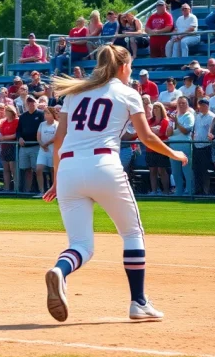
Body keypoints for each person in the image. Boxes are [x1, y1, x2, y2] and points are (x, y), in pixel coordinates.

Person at [43, 44, 188, 322]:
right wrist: (174, 152)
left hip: (69, 170)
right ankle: (139, 302)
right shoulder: (128, 93)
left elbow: (59, 141)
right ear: (123, 67)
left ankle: (60, 270)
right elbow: (146, 138)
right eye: (130, 65)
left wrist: (56, 178)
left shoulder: (75, 93)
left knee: (81, 245)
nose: (130, 70)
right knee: (132, 234)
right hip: (104, 165)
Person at [16, 95, 44, 193]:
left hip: (36, 146)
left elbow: (43, 129)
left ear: (36, 103)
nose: (31, 104)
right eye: (29, 102)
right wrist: (19, 138)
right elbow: (18, 130)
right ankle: (27, 190)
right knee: (26, 169)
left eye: (32, 102)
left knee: (37, 169)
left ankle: (38, 189)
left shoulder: (41, 114)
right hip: (24, 147)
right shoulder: (23, 116)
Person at [167, 97, 195, 196]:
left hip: (184, 145)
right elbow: (168, 133)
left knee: (187, 170)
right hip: (173, 145)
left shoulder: (189, 116)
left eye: (183, 103)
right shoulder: (174, 116)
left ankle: (189, 191)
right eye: (179, 103)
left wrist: (177, 122)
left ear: (187, 104)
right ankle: (179, 191)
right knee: (175, 171)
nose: (181, 105)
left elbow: (186, 131)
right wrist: (171, 123)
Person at [146, 102, 171, 195]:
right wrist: (154, 130)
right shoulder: (150, 121)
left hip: (161, 148)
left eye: (157, 108)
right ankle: (154, 190)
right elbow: (147, 133)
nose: (155, 110)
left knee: (162, 170)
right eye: (154, 108)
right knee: (152, 170)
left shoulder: (165, 121)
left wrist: (152, 131)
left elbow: (161, 133)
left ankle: (166, 191)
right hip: (150, 149)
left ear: (161, 110)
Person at [192, 98, 215, 195]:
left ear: (207, 106)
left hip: (206, 146)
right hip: (196, 146)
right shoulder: (197, 116)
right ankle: (198, 190)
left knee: (205, 170)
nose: (201, 107)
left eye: (203, 105)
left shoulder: (212, 117)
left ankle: (206, 191)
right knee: (196, 170)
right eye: (200, 105)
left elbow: (211, 132)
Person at [35, 107, 58, 197]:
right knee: (39, 169)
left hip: (53, 150)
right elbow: (38, 136)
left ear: (53, 114)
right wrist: (42, 144)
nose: (46, 115)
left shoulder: (57, 124)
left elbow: (56, 137)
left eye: (48, 113)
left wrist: (47, 144)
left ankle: (54, 191)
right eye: (45, 113)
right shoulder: (42, 124)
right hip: (43, 150)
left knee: (53, 171)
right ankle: (41, 191)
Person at [0, 105, 18, 192]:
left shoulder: (17, 121)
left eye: (8, 111)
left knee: (13, 168)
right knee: (6, 169)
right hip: (4, 147)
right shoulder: (4, 122)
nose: (6, 113)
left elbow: (16, 134)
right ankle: (7, 188)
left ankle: (16, 187)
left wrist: (4, 138)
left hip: (13, 147)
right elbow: (1, 133)